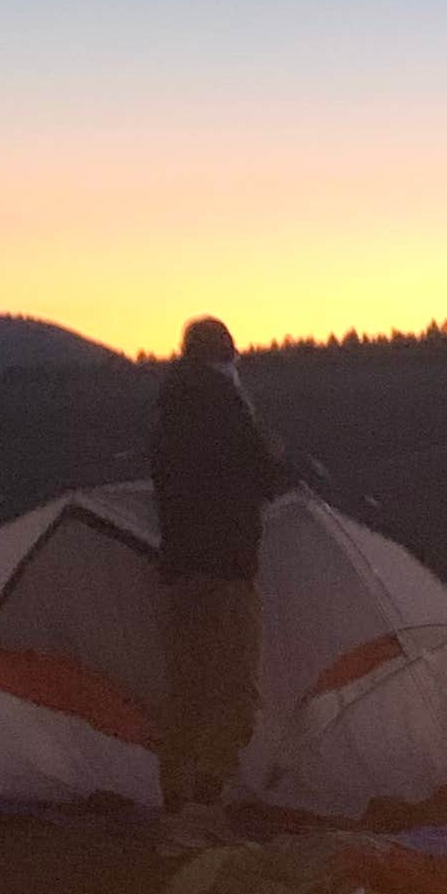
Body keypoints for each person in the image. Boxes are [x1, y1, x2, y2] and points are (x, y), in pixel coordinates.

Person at [149, 316, 291, 814]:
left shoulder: (168, 412)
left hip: (179, 571)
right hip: (229, 570)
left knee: (185, 684)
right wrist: (274, 453)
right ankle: (209, 791)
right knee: (234, 686)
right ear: (225, 357)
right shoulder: (230, 409)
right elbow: (262, 477)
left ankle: (175, 794)